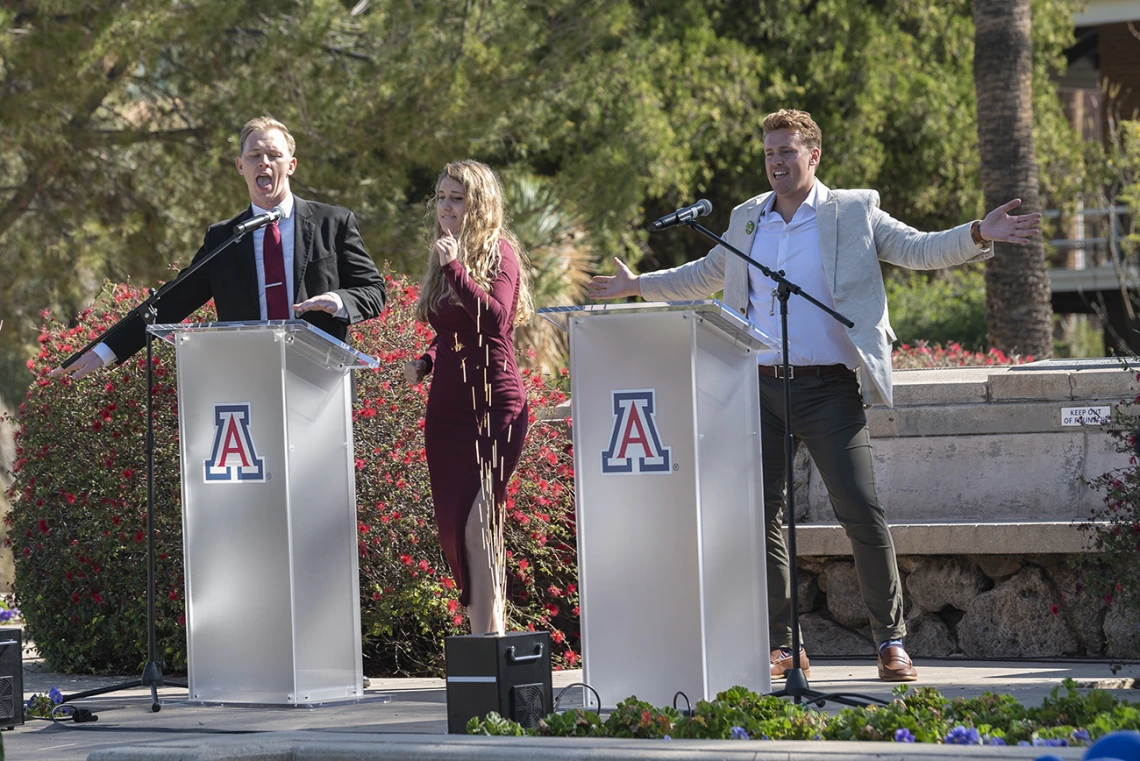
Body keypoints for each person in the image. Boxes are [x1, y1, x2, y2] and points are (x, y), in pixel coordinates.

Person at [587, 109, 1041, 682]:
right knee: (761, 517)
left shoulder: (853, 211)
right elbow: (705, 273)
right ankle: (784, 644)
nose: (776, 162)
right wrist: (637, 287)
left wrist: (979, 232)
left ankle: (890, 642)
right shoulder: (747, 218)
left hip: (828, 387)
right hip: (756, 388)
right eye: (769, 153)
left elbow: (919, 248)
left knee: (861, 511)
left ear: (814, 154)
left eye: (786, 152)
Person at [54, 116, 386, 377]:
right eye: (254, 156)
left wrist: (339, 300)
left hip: (319, 377)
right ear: (241, 166)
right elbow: (171, 302)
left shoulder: (333, 223)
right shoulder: (225, 238)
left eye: (274, 155)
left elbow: (373, 291)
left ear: (292, 165)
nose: (264, 163)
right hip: (247, 377)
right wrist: (104, 351)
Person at [403, 160, 534, 635]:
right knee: (454, 525)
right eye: (440, 197)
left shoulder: (499, 253)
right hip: (447, 410)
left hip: (496, 404)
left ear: (478, 204)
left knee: (482, 519)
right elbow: (450, 328)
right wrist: (428, 360)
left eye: (456, 198)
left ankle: (491, 637)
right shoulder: (444, 254)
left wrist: (453, 266)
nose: (445, 207)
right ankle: (481, 633)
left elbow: (494, 321)